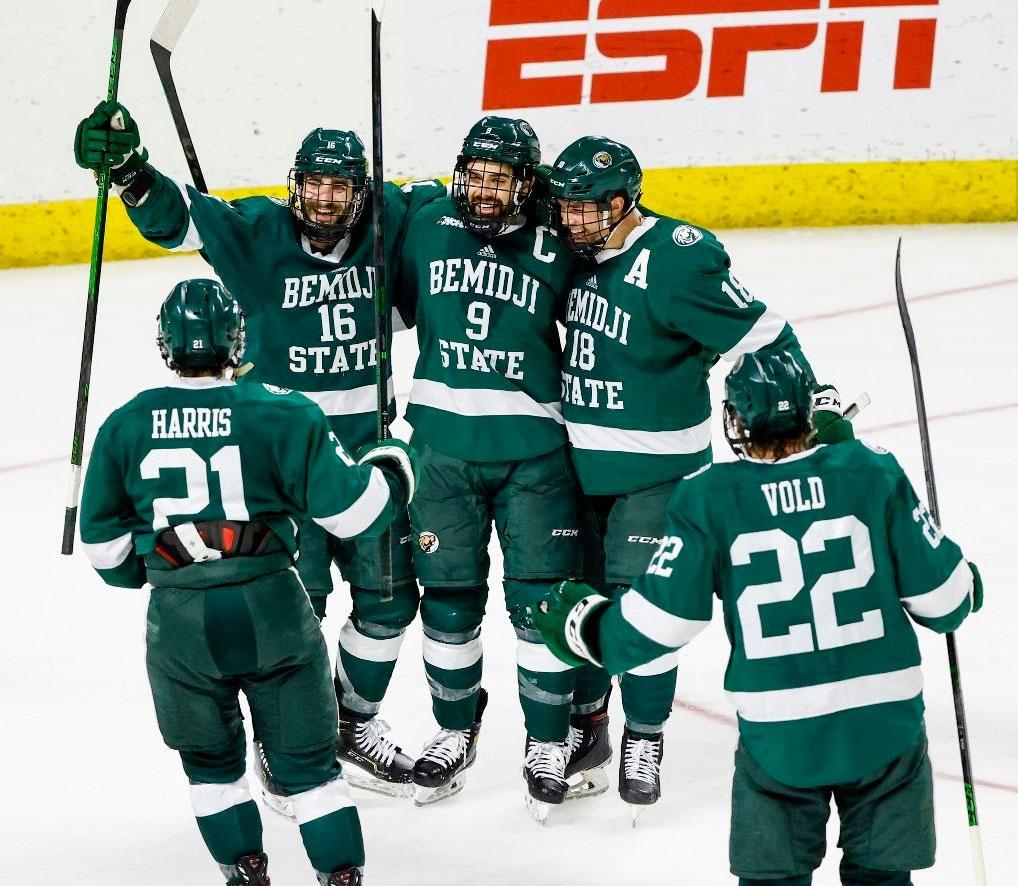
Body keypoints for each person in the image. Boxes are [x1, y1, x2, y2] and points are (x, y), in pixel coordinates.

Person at [74, 101, 437, 796]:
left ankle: (351, 723)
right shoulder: (257, 230)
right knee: (297, 614)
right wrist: (127, 169)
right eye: (312, 185)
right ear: (293, 183)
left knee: (389, 606)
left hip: (363, 464)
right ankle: (292, 736)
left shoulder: (390, 220)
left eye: (340, 188)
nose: (324, 200)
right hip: (276, 477)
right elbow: (174, 216)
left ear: (361, 192)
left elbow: (460, 211)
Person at [536, 350, 982, 881]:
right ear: (807, 413)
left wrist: (587, 626)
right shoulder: (872, 471)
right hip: (884, 724)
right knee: (884, 877)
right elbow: (947, 601)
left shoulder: (708, 496)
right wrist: (968, 580)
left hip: (781, 732)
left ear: (739, 420)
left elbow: (663, 623)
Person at [79, 280, 419, 885]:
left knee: (210, 766)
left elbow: (107, 558)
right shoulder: (283, 410)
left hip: (180, 620)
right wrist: (391, 466)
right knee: (312, 772)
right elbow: (355, 515)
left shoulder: (125, 424)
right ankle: (340, 877)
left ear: (166, 346)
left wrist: (163, 562)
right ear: (238, 341)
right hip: (273, 609)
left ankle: (244, 870)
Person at [542, 135, 828, 814]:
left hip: (658, 472)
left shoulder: (680, 261)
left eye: (586, 208)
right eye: (566, 207)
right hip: (576, 466)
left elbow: (766, 336)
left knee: (643, 610)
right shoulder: (572, 257)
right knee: (577, 600)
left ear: (622, 202)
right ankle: (589, 728)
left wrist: (797, 414)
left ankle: (645, 734)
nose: (571, 221)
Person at [396, 117, 589, 820]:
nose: (481, 190)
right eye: (474, 174)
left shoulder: (561, 242)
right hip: (440, 451)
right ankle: (453, 730)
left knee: (540, 607)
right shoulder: (424, 223)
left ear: (527, 184)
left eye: (499, 178)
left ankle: (547, 740)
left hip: (536, 453)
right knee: (447, 604)